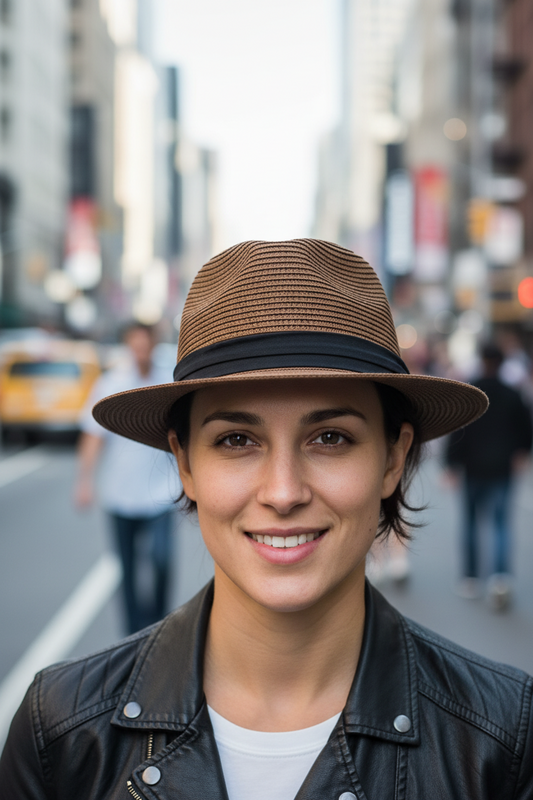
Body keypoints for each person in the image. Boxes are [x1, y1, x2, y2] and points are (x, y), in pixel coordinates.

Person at [1, 240, 532, 800]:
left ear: (392, 459)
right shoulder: (61, 732)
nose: (283, 493)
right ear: (184, 463)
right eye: (236, 440)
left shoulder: (501, 744)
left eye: (331, 438)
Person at [75, 322, 179, 633]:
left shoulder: (166, 381)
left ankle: (158, 627)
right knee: (128, 569)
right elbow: (93, 436)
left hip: (162, 492)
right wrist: (84, 481)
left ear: (152, 345)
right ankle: (132, 635)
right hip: (120, 494)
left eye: (145, 345)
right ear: (127, 347)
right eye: (135, 346)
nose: (140, 352)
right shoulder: (110, 383)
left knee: (162, 562)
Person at [446, 342, 532, 609]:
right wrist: (521, 454)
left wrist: (451, 464)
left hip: (473, 467)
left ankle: (471, 577)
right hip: (502, 467)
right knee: (501, 522)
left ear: (481, 360)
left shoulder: (471, 392)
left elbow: (458, 430)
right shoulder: (512, 393)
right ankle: (500, 577)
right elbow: (526, 430)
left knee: (471, 522)